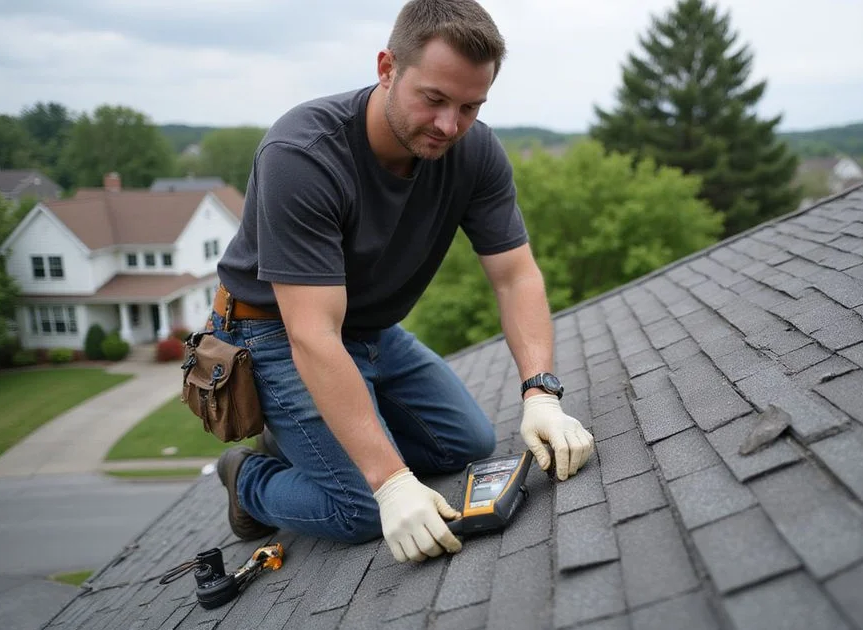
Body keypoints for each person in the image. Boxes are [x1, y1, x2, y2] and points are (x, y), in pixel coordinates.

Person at [209, 0, 595, 565]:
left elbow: (515, 277)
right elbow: (312, 334)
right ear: (387, 67)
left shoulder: (475, 150)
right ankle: (247, 476)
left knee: (465, 445)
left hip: (369, 329)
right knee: (362, 510)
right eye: (434, 99)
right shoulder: (302, 155)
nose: (449, 126)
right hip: (272, 333)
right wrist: (390, 482)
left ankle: (312, 435)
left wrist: (541, 392)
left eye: (469, 106)